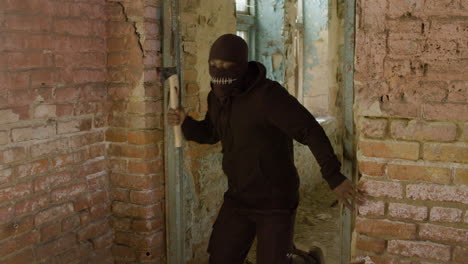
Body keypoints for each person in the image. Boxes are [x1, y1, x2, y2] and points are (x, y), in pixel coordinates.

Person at [167, 34, 364, 264]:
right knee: (221, 258)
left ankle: (307, 261)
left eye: (226, 65)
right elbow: (211, 133)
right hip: (238, 198)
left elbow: (309, 130)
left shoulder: (269, 96)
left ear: (241, 65)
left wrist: (334, 176)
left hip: (275, 201)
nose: (219, 71)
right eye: (214, 65)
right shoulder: (217, 98)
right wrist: (185, 122)